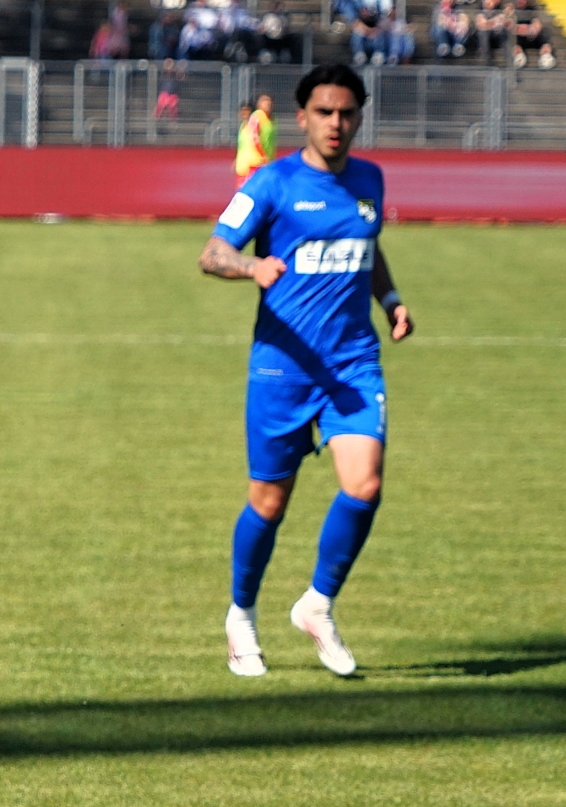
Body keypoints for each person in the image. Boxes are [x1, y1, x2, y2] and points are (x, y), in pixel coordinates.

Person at [198, 63, 414, 679]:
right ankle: (241, 615)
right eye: (325, 113)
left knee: (365, 485)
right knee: (268, 502)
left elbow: (367, 249)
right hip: (283, 369)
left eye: (347, 113)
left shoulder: (370, 179)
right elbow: (212, 252)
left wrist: (391, 300)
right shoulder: (272, 184)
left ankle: (317, 604)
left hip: (352, 364)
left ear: (359, 116)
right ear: (303, 118)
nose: (336, 124)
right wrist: (250, 270)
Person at [236, 93, 277, 183]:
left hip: (267, 161)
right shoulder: (257, 116)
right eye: (264, 101)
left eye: (269, 101)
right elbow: (254, 137)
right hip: (256, 161)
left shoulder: (272, 119)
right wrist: (262, 155)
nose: (268, 103)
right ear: (259, 104)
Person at [511, 0, 554, 69]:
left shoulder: (532, 9)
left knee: (544, 33)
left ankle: (546, 56)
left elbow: (537, 25)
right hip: (520, 38)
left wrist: (525, 29)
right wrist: (526, 29)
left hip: (532, 36)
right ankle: (519, 57)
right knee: (513, 39)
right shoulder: (512, 10)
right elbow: (512, 27)